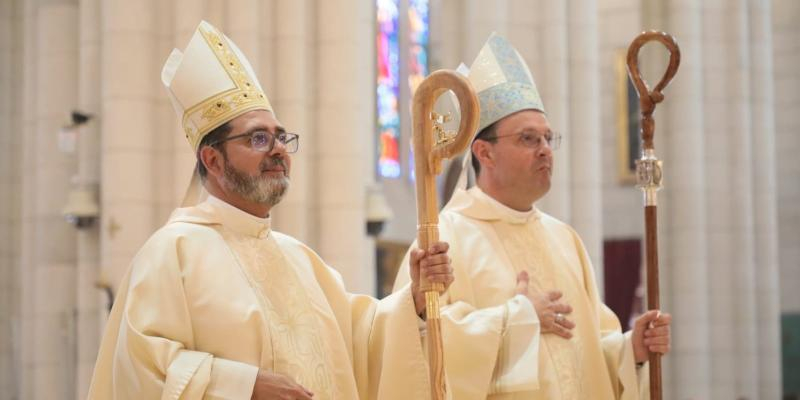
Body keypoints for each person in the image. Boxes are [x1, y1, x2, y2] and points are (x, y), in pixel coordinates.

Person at [88, 21, 453, 400]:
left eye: (281, 136)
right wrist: (244, 387)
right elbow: (141, 369)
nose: (278, 148)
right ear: (212, 159)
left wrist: (414, 298)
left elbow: (361, 345)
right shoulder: (172, 252)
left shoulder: (300, 259)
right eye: (258, 138)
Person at [393, 33, 671, 400]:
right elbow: (421, 350)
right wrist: (516, 320)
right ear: (484, 152)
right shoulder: (444, 239)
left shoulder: (565, 239)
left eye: (548, 139)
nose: (545, 151)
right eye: (528, 139)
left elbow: (587, 355)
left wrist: (629, 351)